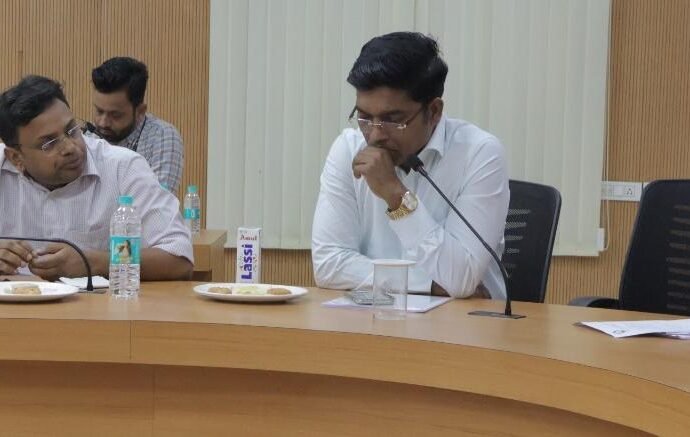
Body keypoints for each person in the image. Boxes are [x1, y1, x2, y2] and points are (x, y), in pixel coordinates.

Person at [311, 32, 510, 299]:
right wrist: (428, 285)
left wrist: (397, 197)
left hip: (463, 320)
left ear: (434, 111)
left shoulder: (480, 154)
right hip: (372, 317)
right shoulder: (348, 148)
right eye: (365, 117)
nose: (375, 134)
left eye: (393, 119)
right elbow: (328, 265)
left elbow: (460, 279)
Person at [0, 75, 193, 280]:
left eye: (71, 130)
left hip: (99, 300)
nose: (70, 147)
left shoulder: (123, 168)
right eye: (50, 143)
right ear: (16, 158)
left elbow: (178, 257)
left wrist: (95, 262)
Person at [90, 56, 184, 192]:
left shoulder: (162, 136)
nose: (103, 123)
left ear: (140, 111)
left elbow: (155, 200)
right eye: (99, 111)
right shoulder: (89, 137)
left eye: (115, 115)